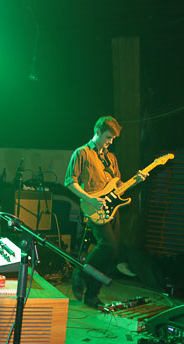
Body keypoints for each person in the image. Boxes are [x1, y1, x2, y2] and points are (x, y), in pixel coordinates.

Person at [64, 115, 143, 308]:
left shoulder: (111, 158)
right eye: (108, 137)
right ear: (98, 132)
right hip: (93, 207)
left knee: (113, 252)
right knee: (107, 244)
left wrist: (135, 181)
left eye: (113, 139)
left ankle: (92, 295)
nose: (110, 142)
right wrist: (90, 198)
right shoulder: (82, 153)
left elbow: (118, 185)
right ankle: (80, 273)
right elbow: (70, 182)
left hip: (112, 208)